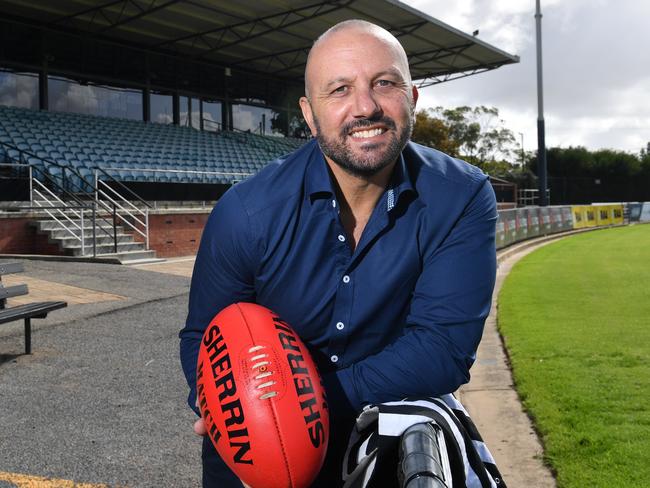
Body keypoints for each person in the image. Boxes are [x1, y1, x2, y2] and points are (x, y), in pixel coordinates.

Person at [180, 19, 497, 487]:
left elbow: (443, 349)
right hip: (256, 462)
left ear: (412, 97)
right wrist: (227, 408)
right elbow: (202, 337)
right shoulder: (246, 211)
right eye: (340, 89)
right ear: (309, 115)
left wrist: (299, 405)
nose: (365, 106)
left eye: (384, 83)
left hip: (382, 450)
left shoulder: (462, 196)